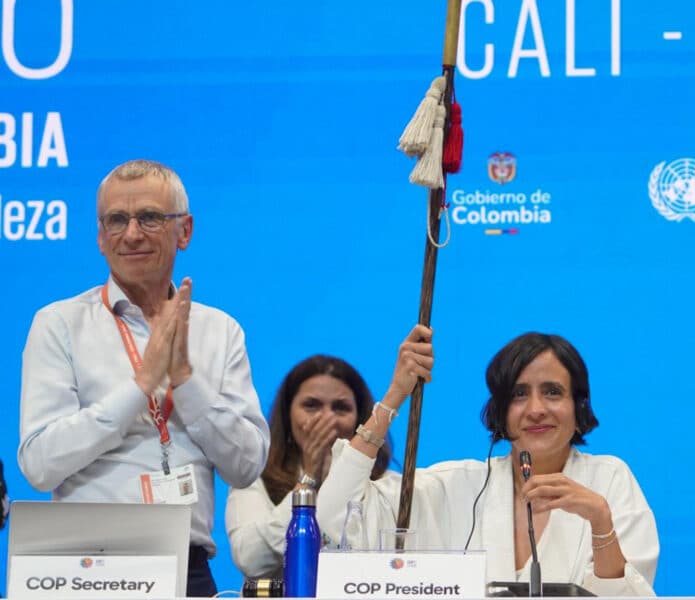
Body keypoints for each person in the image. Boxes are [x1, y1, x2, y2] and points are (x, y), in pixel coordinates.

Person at [18, 159, 270, 597]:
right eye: (116, 220)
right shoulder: (59, 324)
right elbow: (40, 465)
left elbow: (247, 465)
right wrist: (140, 387)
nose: (131, 234)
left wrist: (185, 381)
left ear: (185, 230)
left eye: (150, 217)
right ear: (100, 236)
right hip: (82, 567)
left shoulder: (219, 331)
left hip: (186, 568)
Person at [316, 327, 658, 596]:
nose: (536, 408)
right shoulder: (455, 485)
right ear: (500, 412)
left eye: (552, 392)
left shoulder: (609, 480)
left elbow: (626, 597)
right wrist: (394, 396)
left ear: (578, 407)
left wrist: (600, 522)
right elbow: (335, 514)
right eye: (519, 394)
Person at [225, 354, 395, 579]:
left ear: (360, 419)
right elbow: (251, 560)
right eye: (311, 406)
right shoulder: (257, 478)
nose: (326, 419)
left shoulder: (383, 485)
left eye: (341, 408)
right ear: (288, 415)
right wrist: (308, 481)